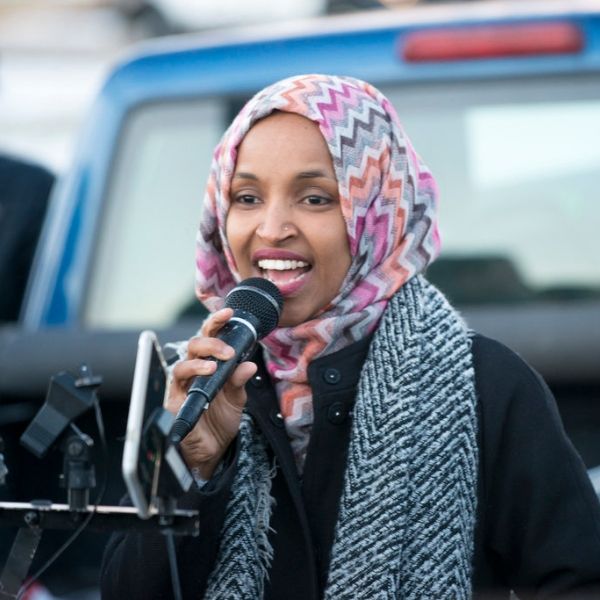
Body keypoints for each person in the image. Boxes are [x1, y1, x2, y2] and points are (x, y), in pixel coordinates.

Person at [100, 74, 600, 599]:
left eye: (314, 198)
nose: (272, 228)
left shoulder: (485, 386)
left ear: (377, 213)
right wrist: (192, 469)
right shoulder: (196, 385)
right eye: (246, 197)